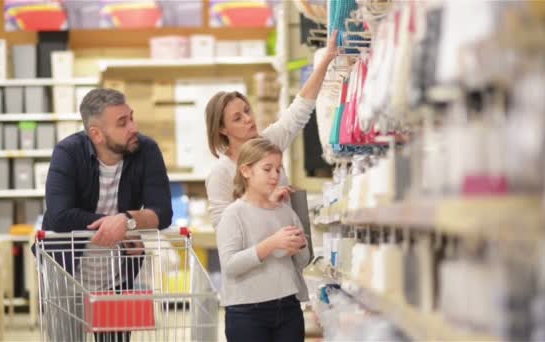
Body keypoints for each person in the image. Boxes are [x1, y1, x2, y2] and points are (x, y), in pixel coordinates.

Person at [40, 88, 173, 342]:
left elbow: (163, 212)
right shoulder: (67, 153)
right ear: (97, 134)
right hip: (66, 275)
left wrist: (127, 221)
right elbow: (59, 216)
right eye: (122, 123)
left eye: (131, 117)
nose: (133, 127)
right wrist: (115, 226)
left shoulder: (147, 150)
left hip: (118, 275)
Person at [205, 31, 339, 228]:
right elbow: (222, 228)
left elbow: (300, 107)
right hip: (255, 255)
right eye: (237, 118)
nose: (248, 119)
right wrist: (266, 203)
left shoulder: (269, 141)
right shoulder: (221, 172)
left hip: (287, 247)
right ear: (222, 130)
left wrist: (326, 60)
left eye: (247, 110)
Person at [216, 138, 310, 342]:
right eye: (267, 169)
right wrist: (272, 244)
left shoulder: (286, 212)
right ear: (246, 171)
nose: (275, 175)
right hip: (247, 314)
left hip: (289, 309)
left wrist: (301, 245)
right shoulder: (234, 215)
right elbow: (230, 265)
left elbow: (303, 261)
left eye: (278, 169)